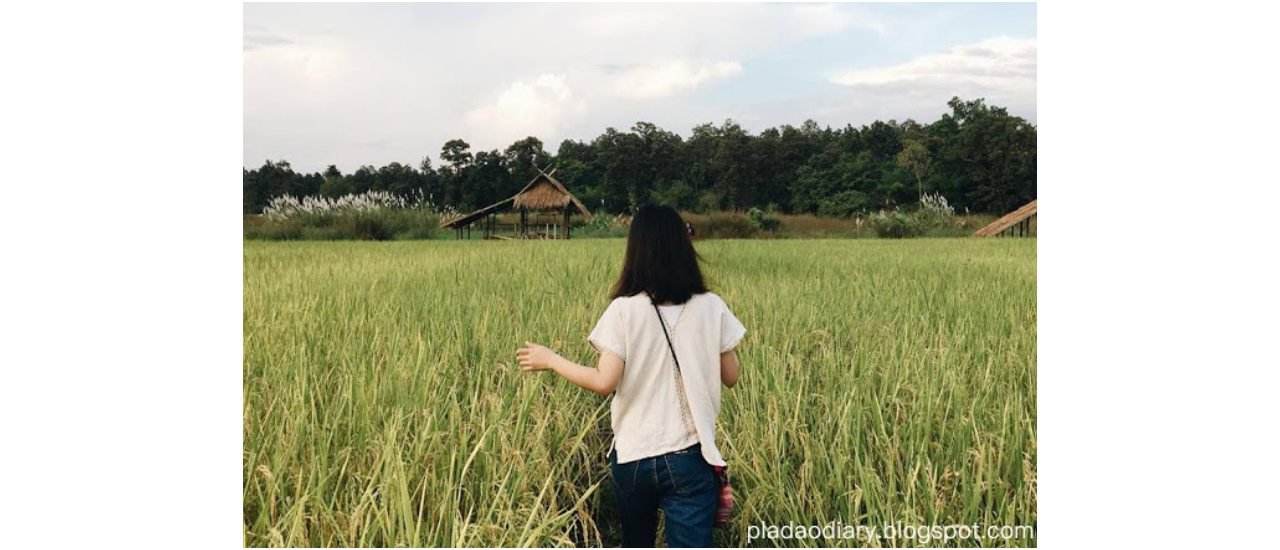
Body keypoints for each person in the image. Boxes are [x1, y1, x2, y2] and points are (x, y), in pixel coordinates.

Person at [516, 203, 746, 547]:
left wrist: (551, 359)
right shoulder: (711, 306)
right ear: (685, 247)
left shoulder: (623, 310)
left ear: (636, 252)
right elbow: (732, 376)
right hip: (691, 456)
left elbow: (603, 382)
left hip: (634, 457)